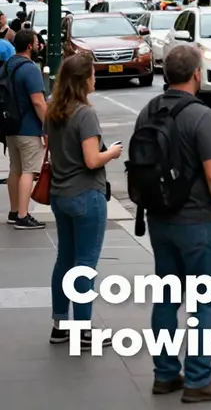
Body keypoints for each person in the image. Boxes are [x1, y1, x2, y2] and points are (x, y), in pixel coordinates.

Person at [134, 44, 211, 402]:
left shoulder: (148, 111)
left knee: (166, 297)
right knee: (206, 302)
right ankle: (198, 379)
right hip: (196, 221)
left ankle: (165, 374)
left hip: (159, 219)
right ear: (197, 74)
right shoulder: (200, 115)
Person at [46, 53, 121, 348]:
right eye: (92, 73)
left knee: (65, 259)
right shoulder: (85, 113)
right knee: (85, 264)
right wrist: (111, 153)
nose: (95, 78)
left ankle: (59, 325)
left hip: (60, 194)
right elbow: (92, 160)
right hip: (86, 194)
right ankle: (84, 330)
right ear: (82, 80)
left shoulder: (53, 111)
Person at [3, 30, 47, 230]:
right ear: (30, 46)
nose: (39, 45)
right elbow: (38, 102)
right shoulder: (30, 69)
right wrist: (47, 127)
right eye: (37, 42)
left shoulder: (8, 65)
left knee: (15, 170)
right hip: (28, 128)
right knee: (29, 171)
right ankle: (23, 215)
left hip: (10, 126)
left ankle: (13, 211)